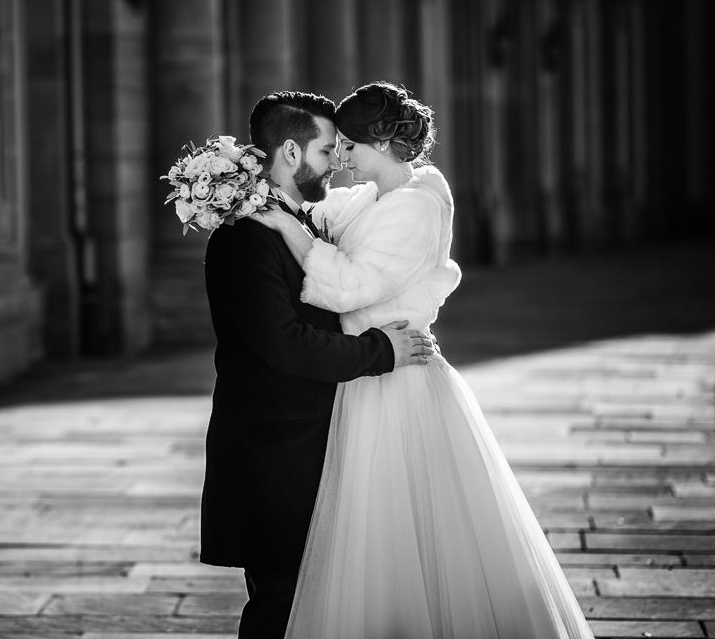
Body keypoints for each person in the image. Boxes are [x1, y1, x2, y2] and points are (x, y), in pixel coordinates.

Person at [250, 82, 594, 638]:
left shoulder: (416, 206)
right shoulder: (372, 193)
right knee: (368, 536)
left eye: (350, 147)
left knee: (406, 532)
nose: (340, 157)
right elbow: (321, 206)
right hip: (365, 373)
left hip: (396, 383)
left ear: (382, 141)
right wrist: (252, 189)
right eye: (333, 148)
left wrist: (287, 227)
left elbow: (352, 287)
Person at [200, 91, 437, 639]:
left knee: (315, 605)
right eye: (329, 151)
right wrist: (382, 351)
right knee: (281, 606)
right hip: (273, 457)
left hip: (308, 446)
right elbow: (285, 343)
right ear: (290, 152)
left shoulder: (292, 218)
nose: (338, 163)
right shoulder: (245, 238)